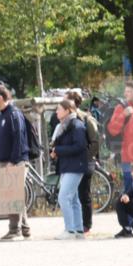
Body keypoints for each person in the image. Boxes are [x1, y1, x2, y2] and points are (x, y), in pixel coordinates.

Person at [0, 84, 32, 241]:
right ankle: (25, 228)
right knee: (13, 195)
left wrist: (13, 161)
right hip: (3, 161)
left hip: (16, 161)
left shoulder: (14, 114)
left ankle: (15, 231)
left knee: (12, 196)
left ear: (0, 98)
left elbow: (19, 138)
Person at [50, 99, 88, 240]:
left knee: (63, 197)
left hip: (75, 166)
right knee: (73, 199)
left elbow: (79, 146)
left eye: (59, 109)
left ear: (67, 110)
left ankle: (70, 230)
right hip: (67, 165)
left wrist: (58, 150)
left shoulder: (76, 125)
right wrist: (55, 151)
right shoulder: (65, 125)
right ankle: (78, 230)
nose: (56, 112)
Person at [64, 91, 101, 234]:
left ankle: (86, 225)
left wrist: (85, 157)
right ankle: (74, 225)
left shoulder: (87, 119)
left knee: (83, 194)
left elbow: (95, 142)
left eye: (65, 100)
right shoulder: (66, 119)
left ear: (73, 102)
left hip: (85, 161)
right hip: (71, 162)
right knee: (71, 195)